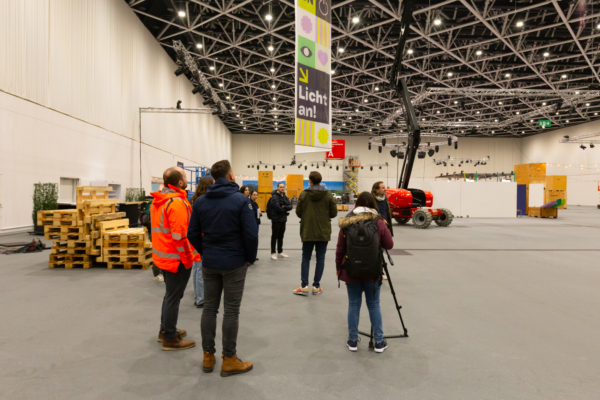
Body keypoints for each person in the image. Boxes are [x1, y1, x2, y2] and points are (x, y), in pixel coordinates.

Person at [188, 160, 258, 377]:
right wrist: (249, 259)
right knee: (231, 311)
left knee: (209, 308)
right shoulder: (241, 201)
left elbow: (192, 234)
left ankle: (208, 356)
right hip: (234, 263)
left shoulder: (200, 202)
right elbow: (251, 234)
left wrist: (205, 251)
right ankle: (229, 359)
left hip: (210, 262)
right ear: (230, 176)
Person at [335, 192, 393, 353]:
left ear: (357, 204)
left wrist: (338, 267)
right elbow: (389, 245)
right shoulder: (379, 222)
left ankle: (353, 341)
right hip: (372, 270)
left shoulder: (347, 221)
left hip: (351, 270)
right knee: (374, 305)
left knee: (353, 304)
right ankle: (379, 342)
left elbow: (340, 248)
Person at [151, 167, 200, 351]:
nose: (187, 179)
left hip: (164, 256)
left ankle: (165, 331)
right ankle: (170, 338)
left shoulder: (160, 201)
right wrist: (188, 259)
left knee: (170, 295)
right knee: (173, 297)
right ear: (179, 182)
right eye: (185, 177)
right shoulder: (176, 203)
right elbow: (180, 237)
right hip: (176, 259)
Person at [294, 171, 338, 295]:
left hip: (308, 230)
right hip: (323, 231)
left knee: (306, 257)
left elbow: (298, 213)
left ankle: (303, 286)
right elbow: (334, 213)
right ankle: (316, 286)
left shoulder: (303, 194)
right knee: (320, 258)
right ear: (320, 180)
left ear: (310, 181)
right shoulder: (328, 194)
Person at [190, 176, 215, 308]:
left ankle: (198, 296)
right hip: (201, 238)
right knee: (200, 270)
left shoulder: (195, 200)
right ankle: (200, 298)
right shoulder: (202, 201)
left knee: (196, 269)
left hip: (195, 239)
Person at [268, 182, 293, 260]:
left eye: (283, 187)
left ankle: (280, 251)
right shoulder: (274, 197)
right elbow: (277, 207)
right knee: (274, 236)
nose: (282, 188)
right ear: (277, 188)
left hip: (283, 219)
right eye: (281, 187)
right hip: (276, 220)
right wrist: (285, 210)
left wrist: (284, 206)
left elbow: (291, 206)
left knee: (281, 236)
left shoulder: (285, 196)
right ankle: (273, 253)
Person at [141, 196, 163, 282]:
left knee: (156, 252)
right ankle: (159, 273)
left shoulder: (151, 203)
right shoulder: (163, 204)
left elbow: (145, 220)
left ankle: (157, 273)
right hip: (160, 232)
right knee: (161, 252)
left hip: (152, 231)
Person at [249, 190, 261, 262]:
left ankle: (253, 255)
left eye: (256, 195)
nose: (255, 196)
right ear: (251, 195)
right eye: (254, 195)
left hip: (256, 222)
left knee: (255, 239)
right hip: (252, 223)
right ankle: (251, 256)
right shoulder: (250, 203)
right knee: (252, 239)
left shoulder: (255, 203)